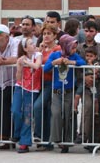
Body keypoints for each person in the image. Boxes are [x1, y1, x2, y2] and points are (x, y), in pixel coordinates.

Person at [43, 35, 86, 153]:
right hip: (56, 91)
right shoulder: (55, 55)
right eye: (72, 48)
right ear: (65, 46)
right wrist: (54, 63)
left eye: (75, 48)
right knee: (56, 113)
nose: (74, 50)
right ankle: (56, 139)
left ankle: (66, 142)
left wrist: (72, 62)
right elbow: (45, 68)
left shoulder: (74, 56)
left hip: (69, 91)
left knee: (67, 115)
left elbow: (83, 62)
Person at [11, 37, 42, 153]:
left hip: (33, 89)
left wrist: (27, 63)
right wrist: (19, 66)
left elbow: (37, 66)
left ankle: (24, 142)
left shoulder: (38, 55)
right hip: (20, 87)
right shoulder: (21, 58)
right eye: (30, 44)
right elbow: (18, 78)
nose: (34, 45)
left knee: (28, 116)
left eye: (33, 43)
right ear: (25, 48)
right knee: (15, 111)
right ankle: (17, 133)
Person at [33, 23, 61, 151]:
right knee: (45, 111)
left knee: (38, 106)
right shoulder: (41, 49)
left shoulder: (57, 49)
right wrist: (38, 52)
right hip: (40, 82)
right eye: (44, 34)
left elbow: (51, 64)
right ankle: (46, 141)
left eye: (49, 34)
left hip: (51, 83)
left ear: (55, 35)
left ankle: (38, 135)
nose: (46, 36)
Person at [75, 47, 100, 151]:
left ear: (95, 56)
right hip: (85, 88)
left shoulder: (97, 64)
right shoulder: (83, 63)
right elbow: (78, 73)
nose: (89, 57)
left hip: (97, 88)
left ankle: (94, 141)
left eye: (91, 56)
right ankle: (83, 135)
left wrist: (95, 76)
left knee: (97, 113)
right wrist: (85, 78)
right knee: (87, 109)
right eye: (87, 55)